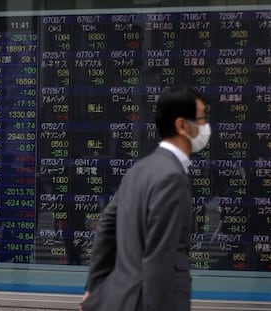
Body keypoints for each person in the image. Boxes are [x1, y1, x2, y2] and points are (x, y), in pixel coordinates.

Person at [80, 86, 211, 311]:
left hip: (121, 298)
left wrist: (95, 286)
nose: (205, 126)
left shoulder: (139, 169)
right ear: (181, 125)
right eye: (201, 119)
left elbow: (106, 227)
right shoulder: (171, 176)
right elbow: (161, 258)